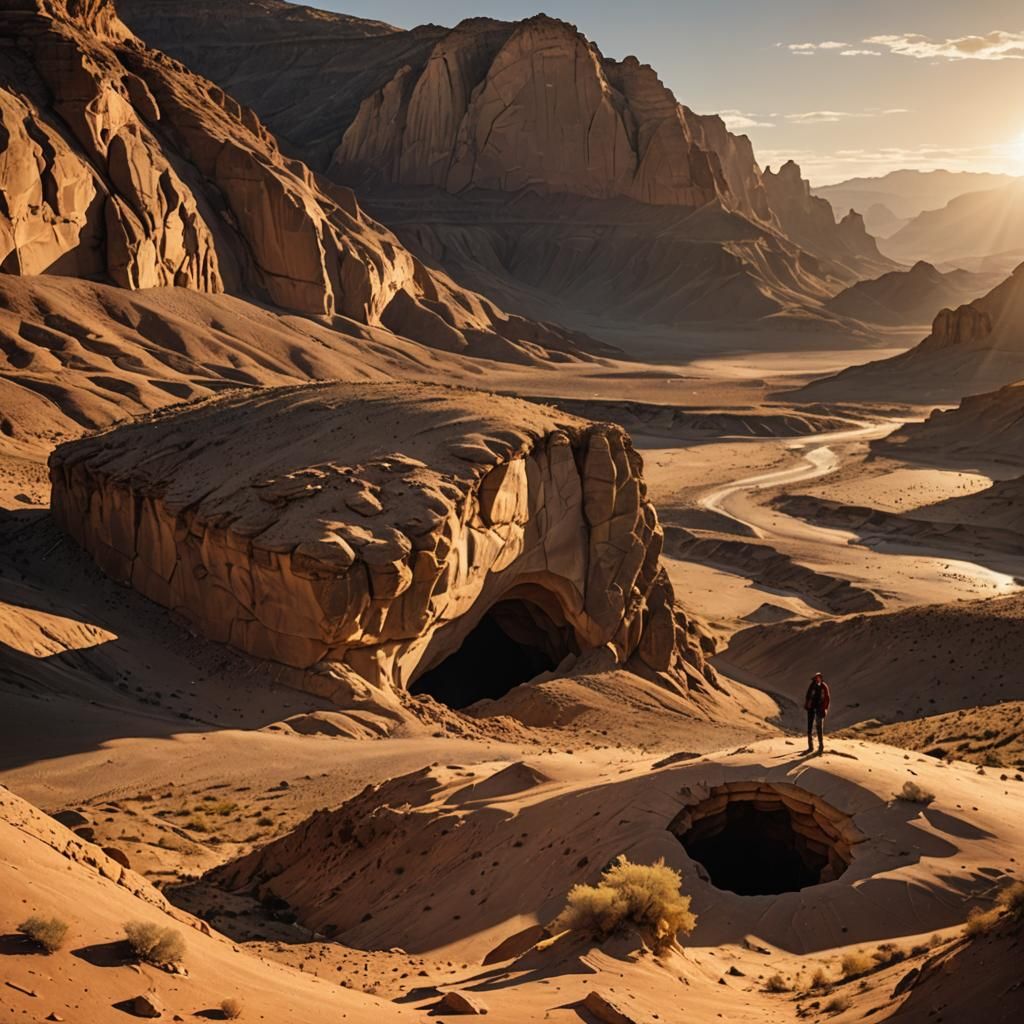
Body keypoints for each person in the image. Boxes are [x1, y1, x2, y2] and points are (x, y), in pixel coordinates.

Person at [804, 672, 830, 754]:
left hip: (820, 709)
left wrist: (825, 708)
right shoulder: (812, 686)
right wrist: (807, 705)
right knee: (810, 726)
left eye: (819, 677)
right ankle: (810, 746)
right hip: (811, 708)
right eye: (816, 678)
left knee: (819, 727)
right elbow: (808, 696)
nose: (818, 679)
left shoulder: (824, 686)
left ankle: (821, 746)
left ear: (821, 678)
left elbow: (827, 698)